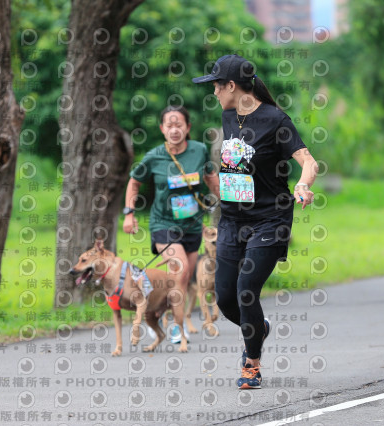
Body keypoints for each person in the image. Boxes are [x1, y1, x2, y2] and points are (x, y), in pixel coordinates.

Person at [192, 54, 318, 389]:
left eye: (216, 86)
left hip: (270, 219)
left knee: (246, 290)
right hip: (233, 220)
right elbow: (236, 168)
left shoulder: (276, 119)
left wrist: (303, 185)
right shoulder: (228, 115)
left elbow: (308, 162)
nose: (214, 93)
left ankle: (252, 364)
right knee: (225, 297)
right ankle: (258, 329)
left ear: (232, 86)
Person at [122, 105, 220, 343]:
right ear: (162, 128)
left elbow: (209, 177)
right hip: (163, 223)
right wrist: (129, 213)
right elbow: (134, 182)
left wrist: (226, 200)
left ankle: (156, 314)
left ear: (188, 127)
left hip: (192, 225)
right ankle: (175, 327)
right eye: (169, 125)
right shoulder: (155, 156)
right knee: (181, 269)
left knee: (182, 280)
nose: (174, 130)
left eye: (179, 125)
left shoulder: (199, 150)